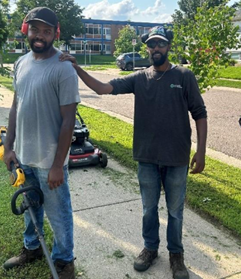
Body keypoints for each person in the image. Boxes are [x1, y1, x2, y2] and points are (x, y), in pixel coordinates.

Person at [60, 26, 207, 279]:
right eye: (152, 44)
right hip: (146, 156)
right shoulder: (140, 78)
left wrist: (201, 152)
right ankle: (150, 248)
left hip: (177, 157)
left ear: (168, 46)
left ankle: (176, 255)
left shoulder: (184, 75)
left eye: (161, 44)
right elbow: (103, 88)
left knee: (175, 211)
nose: (156, 48)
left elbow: (200, 114)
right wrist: (77, 68)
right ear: (147, 49)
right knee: (148, 209)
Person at [3, 7, 80, 279]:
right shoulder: (21, 63)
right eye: (35, 29)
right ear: (26, 30)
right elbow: (16, 106)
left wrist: (59, 165)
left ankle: (63, 261)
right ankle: (32, 247)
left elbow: (69, 121)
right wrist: (9, 146)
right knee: (29, 207)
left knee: (58, 214)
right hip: (24, 155)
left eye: (47, 31)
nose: (40, 36)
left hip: (50, 161)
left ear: (55, 33)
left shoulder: (64, 67)